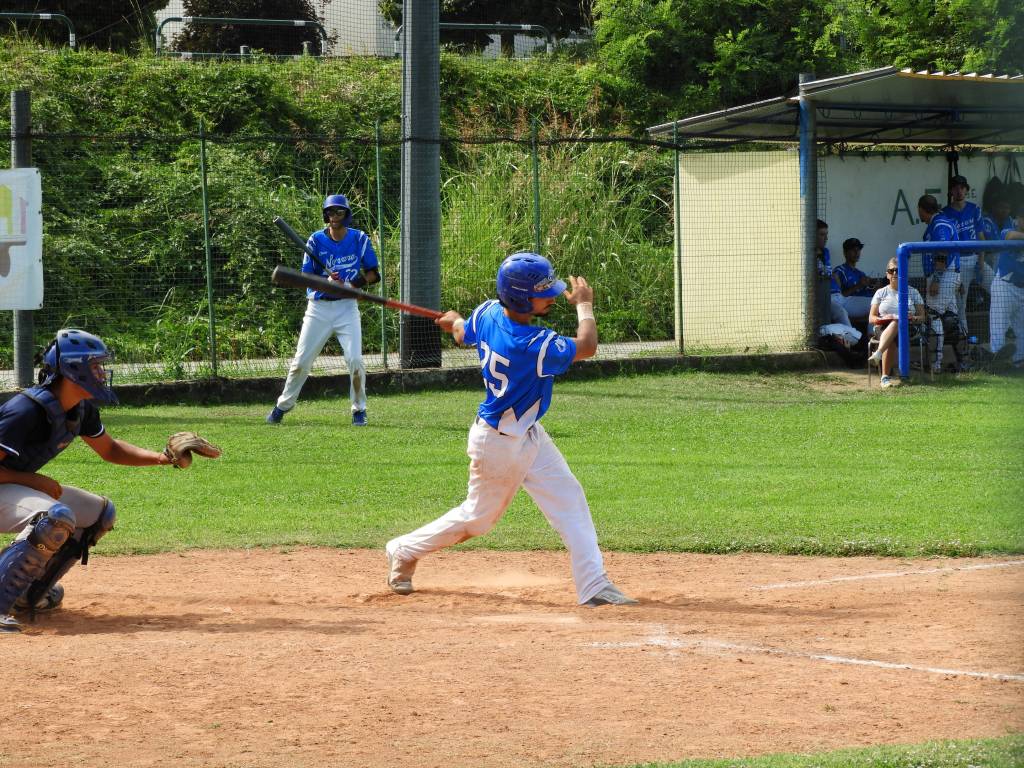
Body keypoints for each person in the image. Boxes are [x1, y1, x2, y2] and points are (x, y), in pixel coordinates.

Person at [384, 252, 638, 607]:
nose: (551, 297)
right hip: (498, 444)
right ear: (519, 299)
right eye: (542, 293)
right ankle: (404, 548)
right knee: (478, 519)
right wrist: (584, 306)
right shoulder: (533, 345)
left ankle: (594, 585)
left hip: (528, 433)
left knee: (569, 498)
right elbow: (588, 346)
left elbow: (463, 333)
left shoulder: (488, 311)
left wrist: (456, 322)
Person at [0, 329, 219, 634]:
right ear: (73, 369)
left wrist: (163, 458)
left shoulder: (79, 409)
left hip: (10, 487)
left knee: (99, 514)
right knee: (54, 518)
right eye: (94, 366)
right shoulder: (26, 411)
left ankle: (26, 594)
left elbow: (111, 449)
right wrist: (33, 480)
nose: (102, 373)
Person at [267, 194, 380, 426]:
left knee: (355, 361)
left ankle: (359, 410)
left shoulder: (359, 238)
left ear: (346, 214)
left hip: (346, 307)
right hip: (318, 308)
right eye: (330, 212)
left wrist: (352, 284)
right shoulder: (315, 240)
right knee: (301, 363)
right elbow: (306, 277)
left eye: (339, 211)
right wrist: (326, 281)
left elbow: (373, 274)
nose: (334, 216)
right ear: (325, 215)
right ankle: (282, 406)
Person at [941, 175, 993, 325]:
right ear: (951, 191)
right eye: (955, 188)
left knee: (998, 290)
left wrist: (981, 261)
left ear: (966, 190)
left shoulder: (974, 209)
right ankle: (964, 337)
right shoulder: (944, 213)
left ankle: (1005, 329)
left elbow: (981, 237)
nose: (959, 191)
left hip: (976, 258)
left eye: (962, 188)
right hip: (959, 262)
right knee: (960, 305)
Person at [867, 258, 927, 388]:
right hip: (883, 327)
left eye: (898, 270)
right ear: (887, 274)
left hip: (909, 327)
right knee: (893, 329)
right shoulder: (880, 292)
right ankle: (885, 374)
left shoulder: (913, 291)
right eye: (891, 270)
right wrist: (882, 318)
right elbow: (871, 318)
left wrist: (914, 318)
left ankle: (882, 369)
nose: (894, 273)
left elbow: (923, 317)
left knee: (897, 322)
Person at [988, 203, 1024, 368]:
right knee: (998, 327)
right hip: (1004, 286)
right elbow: (1008, 237)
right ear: (1018, 219)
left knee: (1022, 330)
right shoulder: (1008, 230)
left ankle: (1019, 363)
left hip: (1022, 288)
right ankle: (997, 363)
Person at [924, 252, 965, 373]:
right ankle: (958, 363)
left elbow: (942, 252)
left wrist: (936, 279)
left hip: (943, 275)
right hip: (947, 273)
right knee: (950, 321)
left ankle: (937, 365)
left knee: (937, 320)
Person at [832, 238, 882, 321]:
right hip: (849, 308)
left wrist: (876, 288)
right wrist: (858, 286)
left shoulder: (861, 273)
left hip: (864, 306)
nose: (857, 253)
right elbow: (839, 298)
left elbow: (868, 294)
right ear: (845, 253)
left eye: (858, 250)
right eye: (853, 250)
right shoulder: (839, 271)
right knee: (877, 306)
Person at [816, 219, 851, 326]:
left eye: (826, 234)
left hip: (839, 296)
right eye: (822, 234)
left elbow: (829, 273)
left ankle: (874, 336)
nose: (826, 238)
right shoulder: (808, 254)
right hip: (825, 297)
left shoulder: (826, 252)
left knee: (873, 304)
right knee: (841, 313)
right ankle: (853, 337)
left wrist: (834, 278)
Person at [918, 194, 958, 278]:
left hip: (945, 277)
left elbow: (942, 253)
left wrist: (936, 280)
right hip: (940, 276)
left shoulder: (940, 225)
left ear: (921, 209)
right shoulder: (935, 222)